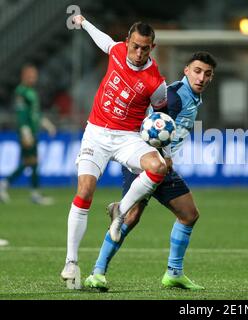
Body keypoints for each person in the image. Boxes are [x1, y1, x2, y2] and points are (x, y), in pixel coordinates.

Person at [84, 52, 217, 291]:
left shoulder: (194, 98)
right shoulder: (175, 97)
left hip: (163, 166)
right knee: (130, 217)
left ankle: (173, 273)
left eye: (207, 74)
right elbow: (153, 128)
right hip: (145, 161)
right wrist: (163, 156)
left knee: (189, 214)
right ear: (186, 70)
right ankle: (97, 273)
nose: (201, 77)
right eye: (197, 71)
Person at [60, 15, 170, 283]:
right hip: (96, 133)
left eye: (145, 48)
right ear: (127, 42)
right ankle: (71, 262)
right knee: (85, 191)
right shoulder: (117, 51)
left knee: (159, 167)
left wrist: (163, 150)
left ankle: (120, 210)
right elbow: (103, 40)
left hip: (127, 137)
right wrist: (83, 22)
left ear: (152, 48)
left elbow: (161, 115)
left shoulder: (156, 82)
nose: (139, 52)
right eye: (135, 46)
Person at [0, 64, 56, 205]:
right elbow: (21, 115)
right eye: (30, 75)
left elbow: (35, 114)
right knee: (33, 161)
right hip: (27, 132)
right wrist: (25, 132)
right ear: (24, 76)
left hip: (33, 131)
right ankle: (34, 193)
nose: (33, 78)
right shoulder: (21, 92)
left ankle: (5, 184)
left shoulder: (32, 92)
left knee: (29, 162)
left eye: (34, 75)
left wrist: (47, 125)